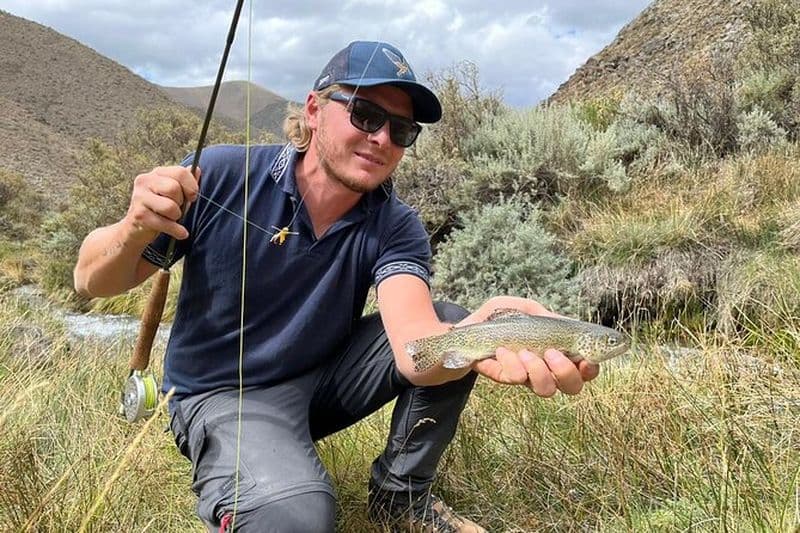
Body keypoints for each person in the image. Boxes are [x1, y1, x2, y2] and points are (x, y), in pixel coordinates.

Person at [73, 40, 600, 533]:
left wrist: (481, 337)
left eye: (402, 130)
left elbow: (418, 349)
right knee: (297, 517)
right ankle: (264, 479)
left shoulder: (395, 225)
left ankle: (400, 498)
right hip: (222, 395)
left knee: (455, 321)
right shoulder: (220, 175)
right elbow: (91, 280)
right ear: (312, 110)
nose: (381, 139)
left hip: (324, 384)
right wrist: (133, 228)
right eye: (366, 115)